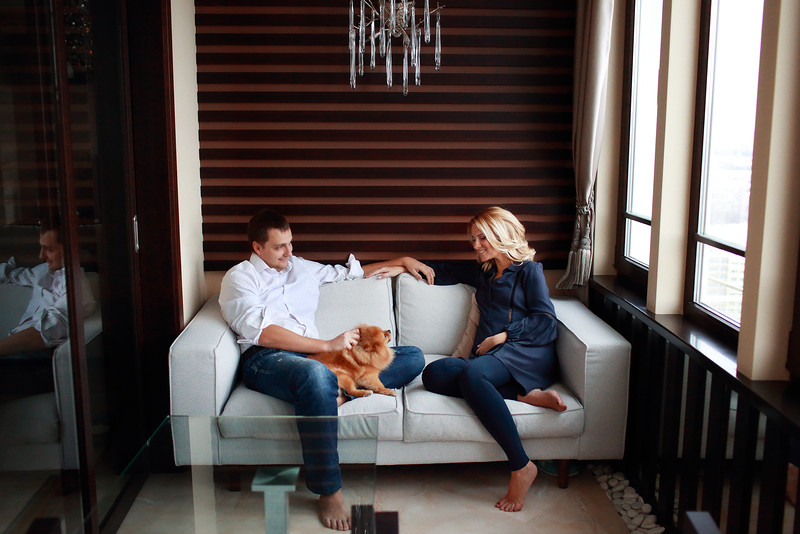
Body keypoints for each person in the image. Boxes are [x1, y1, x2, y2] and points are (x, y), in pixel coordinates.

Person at [218, 208, 425, 531]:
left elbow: (350, 273)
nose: (289, 252)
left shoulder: (301, 267)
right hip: (268, 359)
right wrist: (327, 345)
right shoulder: (240, 277)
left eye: (290, 243)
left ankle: (338, 393)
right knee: (316, 375)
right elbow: (262, 332)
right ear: (258, 247)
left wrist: (402, 260)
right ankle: (329, 490)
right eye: (279, 247)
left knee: (412, 356)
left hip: (318, 359)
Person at [404, 206, 566, 512]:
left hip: (525, 353)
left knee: (473, 374)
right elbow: (438, 271)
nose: (476, 245)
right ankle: (522, 395)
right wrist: (404, 263)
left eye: (482, 238)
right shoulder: (484, 272)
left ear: (501, 234)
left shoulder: (529, 271)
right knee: (433, 374)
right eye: (473, 239)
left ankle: (521, 465)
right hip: (491, 360)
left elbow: (545, 321)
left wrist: (503, 336)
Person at [0, 220, 96, 359]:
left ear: (71, 250)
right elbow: (11, 275)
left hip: (30, 358)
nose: (41, 256)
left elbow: (46, 332)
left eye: (49, 249)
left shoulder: (77, 289)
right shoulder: (45, 271)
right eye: (42, 247)